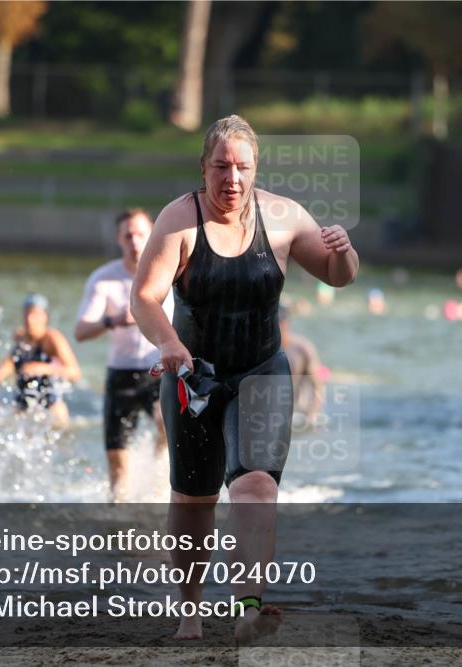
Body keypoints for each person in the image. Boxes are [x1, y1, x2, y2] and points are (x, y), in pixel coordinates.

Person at [131, 115, 359, 643]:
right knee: (194, 498)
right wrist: (169, 343)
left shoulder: (283, 217)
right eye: (221, 166)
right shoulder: (179, 220)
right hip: (194, 376)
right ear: (203, 167)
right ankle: (190, 611)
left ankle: (249, 608)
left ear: (255, 169)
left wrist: (344, 251)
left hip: (262, 372)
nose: (231, 178)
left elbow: (338, 276)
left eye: (242, 167)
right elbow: (143, 297)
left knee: (257, 485)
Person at [75, 208, 170, 502]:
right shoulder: (104, 279)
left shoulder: (170, 272)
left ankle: (158, 485)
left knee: (168, 426)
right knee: (118, 469)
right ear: (119, 239)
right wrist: (113, 320)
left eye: (140, 234)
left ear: (152, 235)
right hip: (122, 375)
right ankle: (119, 515)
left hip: (160, 370)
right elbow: (80, 331)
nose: (135, 242)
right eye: (128, 236)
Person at [0, 294, 81, 426]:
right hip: (23, 406)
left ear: (44, 316)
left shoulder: (52, 338)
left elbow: (75, 372)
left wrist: (43, 368)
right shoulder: (20, 338)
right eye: (26, 314)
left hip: (51, 406)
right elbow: (11, 362)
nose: (30, 320)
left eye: (34, 315)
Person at [278, 305, 325, 424]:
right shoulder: (263, 350)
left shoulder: (302, 348)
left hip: (298, 412)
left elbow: (318, 387)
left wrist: (311, 416)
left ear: (284, 324)